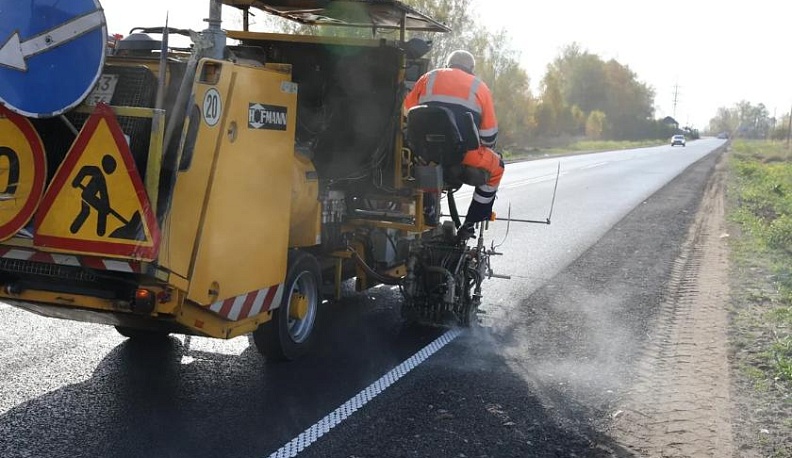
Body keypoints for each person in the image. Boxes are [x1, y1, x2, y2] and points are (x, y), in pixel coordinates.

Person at [403, 50, 504, 240]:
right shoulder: (479, 86)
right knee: (497, 169)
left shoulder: (428, 77)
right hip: (463, 153)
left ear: (448, 64)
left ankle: (427, 210)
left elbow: (407, 110)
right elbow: (489, 137)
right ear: (471, 69)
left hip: (425, 153)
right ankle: (470, 224)